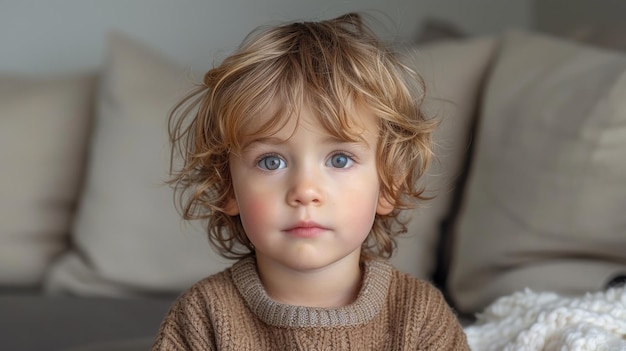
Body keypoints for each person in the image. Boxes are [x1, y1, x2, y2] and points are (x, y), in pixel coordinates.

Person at [152, 12, 469, 350]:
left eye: (339, 159)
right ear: (227, 186)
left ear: (388, 185)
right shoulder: (202, 317)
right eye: (271, 161)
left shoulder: (419, 317)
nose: (305, 191)